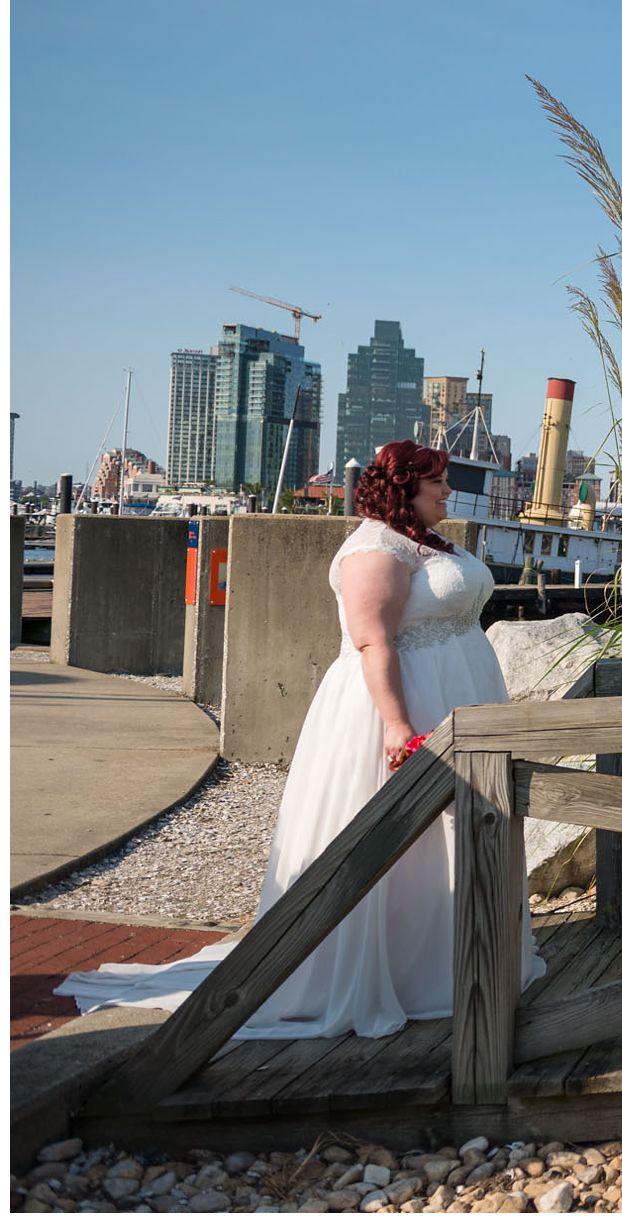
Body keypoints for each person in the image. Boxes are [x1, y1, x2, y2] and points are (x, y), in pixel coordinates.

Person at [58, 441, 544, 1037]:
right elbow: (374, 642)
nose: (448, 491)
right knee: (402, 841)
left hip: (459, 692)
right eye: (436, 482)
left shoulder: (428, 540)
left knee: (456, 836)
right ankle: (398, 971)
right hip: (404, 704)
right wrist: (398, 727)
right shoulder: (375, 549)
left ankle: (461, 955)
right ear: (402, 488)